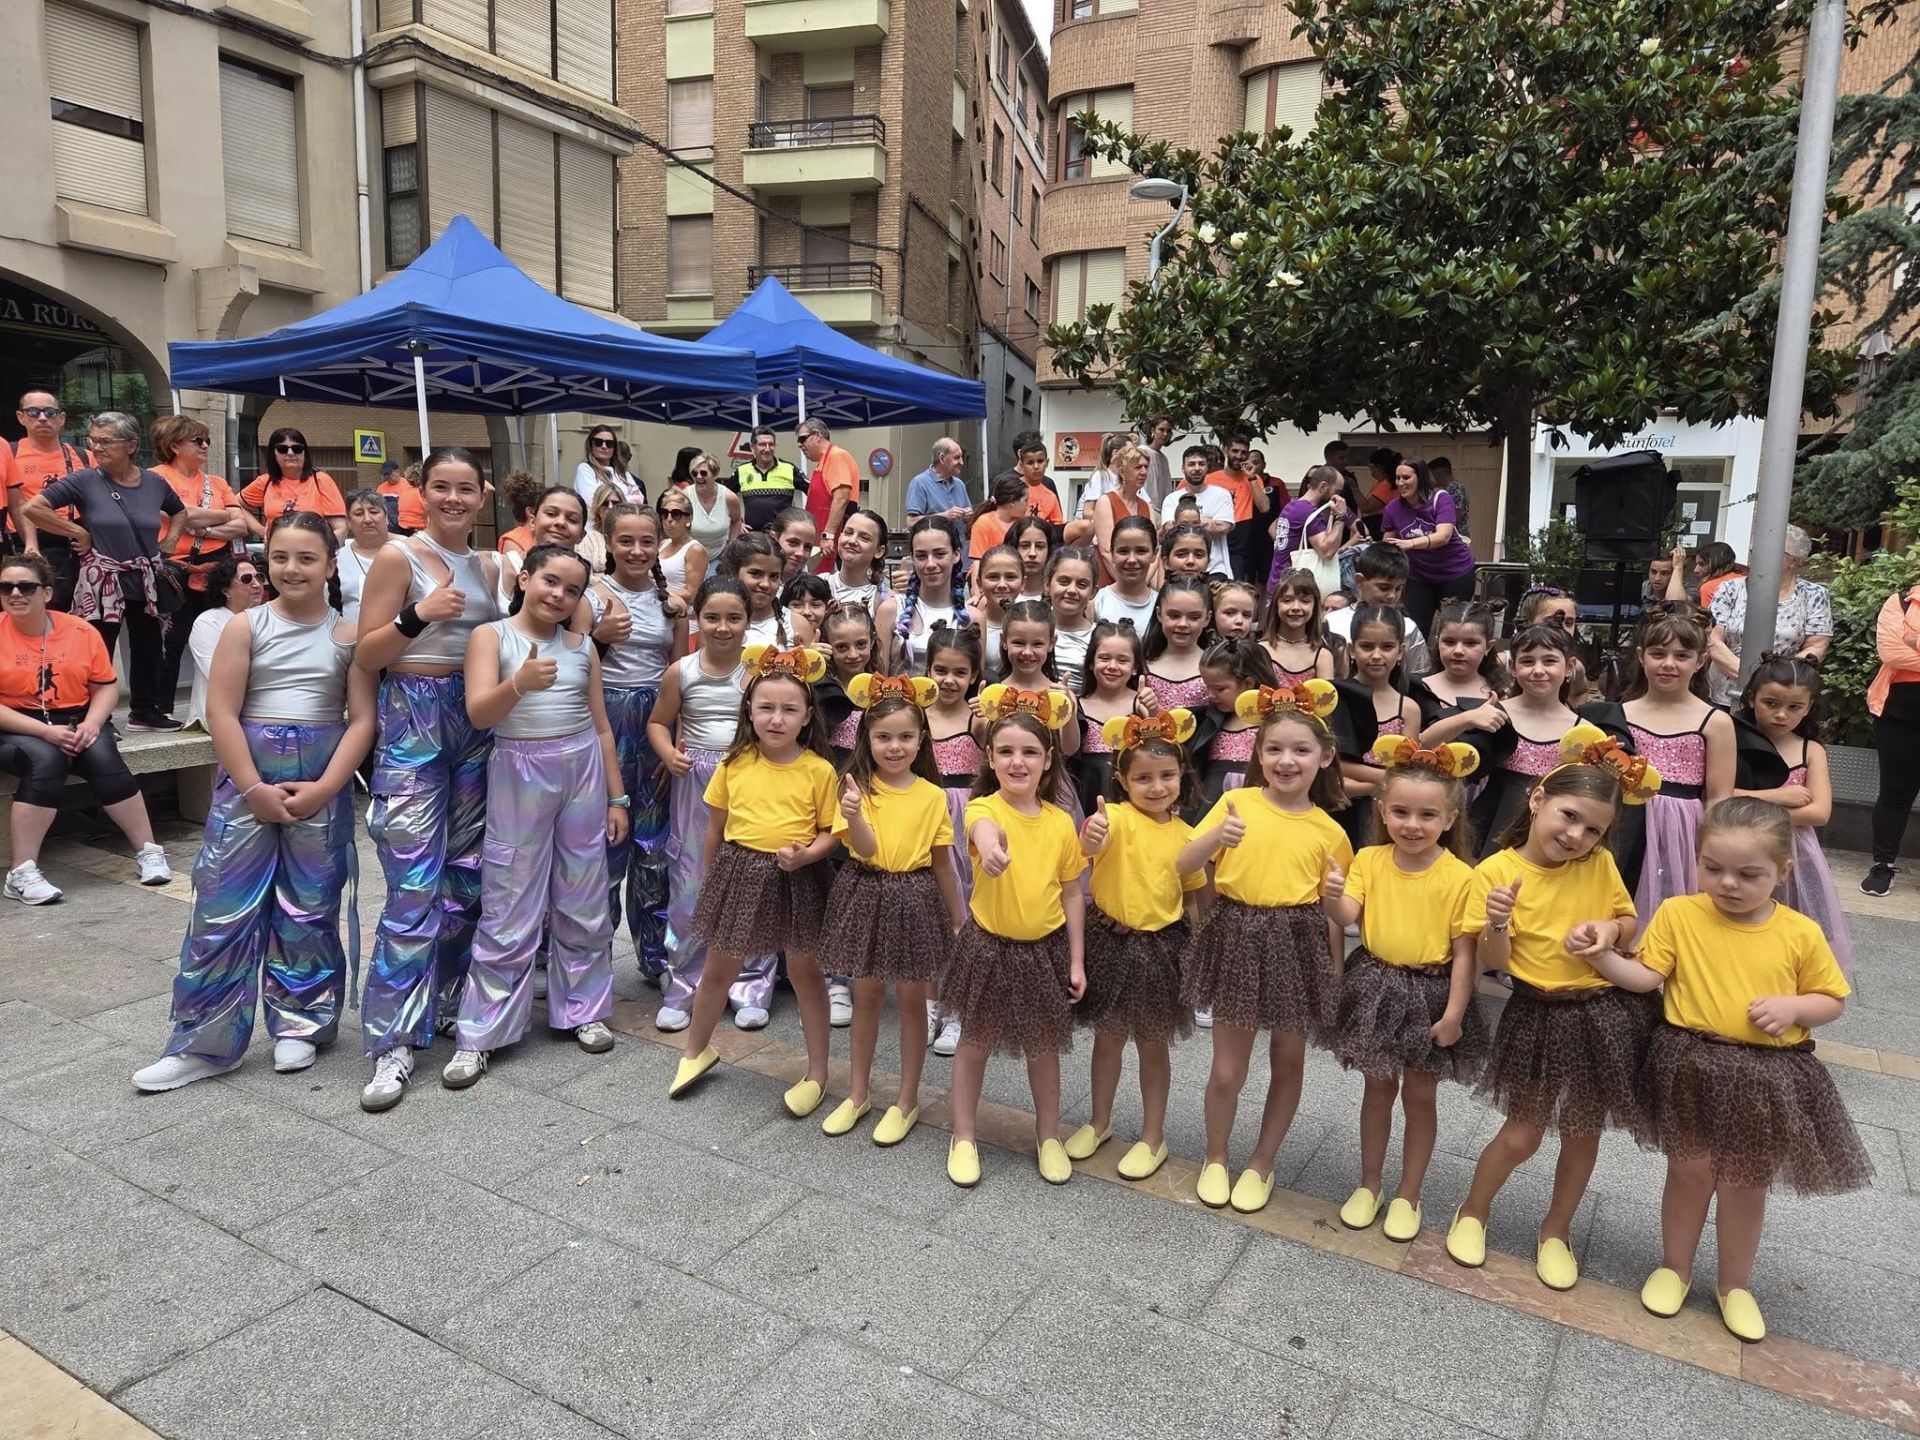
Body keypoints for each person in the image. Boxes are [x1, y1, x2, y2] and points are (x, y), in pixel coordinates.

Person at [1577, 797, 1871, 1342]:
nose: (1728, 883)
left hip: (1767, 1073)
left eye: (1748, 874)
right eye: (1712, 868)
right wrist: (1600, 957)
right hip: (1689, 1060)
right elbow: (1645, 978)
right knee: (1689, 1171)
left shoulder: (1799, 933)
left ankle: (1735, 1285)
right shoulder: (1680, 914)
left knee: (1745, 1184)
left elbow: (1830, 1000)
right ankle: (1674, 1267)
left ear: (1782, 873)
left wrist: (1794, 1008)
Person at [131, 513, 372, 1091]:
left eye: (307, 558)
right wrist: (251, 786)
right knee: (222, 903)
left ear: (330, 566)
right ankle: (203, 1039)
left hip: (321, 771)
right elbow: (221, 712)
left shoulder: (350, 636)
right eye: (281, 558)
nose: (292, 569)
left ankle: (301, 1023)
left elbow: (362, 719)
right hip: (249, 770)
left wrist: (326, 787)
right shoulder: (247, 626)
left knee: (309, 903)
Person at [1448, 729, 1661, 1292]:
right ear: (1538, 797)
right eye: (1569, 817)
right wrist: (1497, 921)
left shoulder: (1598, 864)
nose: (1577, 835)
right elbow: (1498, 963)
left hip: (1605, 1011)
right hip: (1538, 1014)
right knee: (1522, 1134)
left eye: (1594, 829)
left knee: (1582, 1133)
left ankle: (1557, 1231)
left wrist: (1609, 929)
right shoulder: (1492, 874)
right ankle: (1472, 1211)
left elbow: (1629, 920)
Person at [439, 545, 627, 1088]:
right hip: (519, 767)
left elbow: (603, 728)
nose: (559, 596)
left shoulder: (582, 646)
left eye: (572, 590)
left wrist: (617, 798)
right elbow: (479, 713)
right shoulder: (490, 637)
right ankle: (483, 1029)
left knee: (584, 890)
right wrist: (518, 683)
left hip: (582, 769)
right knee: (509, 894)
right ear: (524, 578)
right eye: (550, 581)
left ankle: (584, 1008)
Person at [353, 448, 503, 1113]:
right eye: (440, 486)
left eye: (464, 488)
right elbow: (364, 653)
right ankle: (391, 1038)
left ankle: (447, 1000)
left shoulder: (494, 564)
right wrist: (420, 615)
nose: (452, 498)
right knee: (413, 882)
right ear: (422, 491)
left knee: (467, 875)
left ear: (481, 494)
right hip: (412, 718)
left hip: (474, 724)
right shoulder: (396, 556)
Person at [1178, 681, 1352, 1214]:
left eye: (1301, 750)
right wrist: (1214, 840)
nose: (1286, 760)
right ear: (1257, 752)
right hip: (1236, 933)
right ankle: (1215, 1156)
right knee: (1228, 1067)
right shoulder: (1235, 802)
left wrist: (1337, 970)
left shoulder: (1331, 831)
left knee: (1288, 1059)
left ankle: (1262, 1161)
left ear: (1324, 758)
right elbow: (1183, 865)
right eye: (1274, 748)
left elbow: (1333, 915)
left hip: (1298, 944)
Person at [1327, 738, 1488, 1242]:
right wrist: (1331, 897)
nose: (1411, 825)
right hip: (1374, 982)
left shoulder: (1462, 876)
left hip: (1432, 993)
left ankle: (1409, 1192)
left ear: (1449, 819)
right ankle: (1369, 1183)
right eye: (1400, 812)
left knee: (1420, 1096)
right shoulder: (1369, 860)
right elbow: (1347, 917)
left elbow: (1466, 953)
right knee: (1377, 1090)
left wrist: (1456, 1013)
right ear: (1381, 811)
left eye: (1426, 815)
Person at [667, 645, 840, 1114]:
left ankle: (818, 1071)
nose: (776, 719)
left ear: (807, 717)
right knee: (719, 967)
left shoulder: (820, 771)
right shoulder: (734, 763)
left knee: (805, 973)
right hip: (738, 873)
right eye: (766, 707)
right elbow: (715, 829)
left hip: (798, 878)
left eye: (789, 709)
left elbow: (832, 833)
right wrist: (709, 879)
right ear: (749, 710)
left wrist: (807, 855)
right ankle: (695, 1049)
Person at [942, 686, 1087, 1188]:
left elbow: (1072, 895)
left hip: (1044, 949)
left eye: (1029, 752)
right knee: (975, 1039)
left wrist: (1076, 960)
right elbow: (982, 833)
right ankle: (963, 1134)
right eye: (1006, 751)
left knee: (1043, 1045)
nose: (1017, 762)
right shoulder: (984, 809)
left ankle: (1048, 1135)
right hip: (989, 946)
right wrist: (993, 850)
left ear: (1048, 760)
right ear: (989, 756)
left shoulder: (1062, 824)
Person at [820, 672, 965, 1143]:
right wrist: (854, 814)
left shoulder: (932, 796)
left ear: (922, 739)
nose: (895, 747)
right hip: (865, 893)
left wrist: (959, 918)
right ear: (867, 738)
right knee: (865, 997)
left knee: (911, 1001)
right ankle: (858, 1092)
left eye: (905, 737)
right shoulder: (856, 787)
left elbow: (944, 863)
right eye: (883, 737)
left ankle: (906, 1099)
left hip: (916, 898)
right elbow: (863, 846)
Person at [24, 411, 228, 731]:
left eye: (106, 441)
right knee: (98, 647)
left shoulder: (154, 482)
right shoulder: (85, 480)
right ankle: (96, 717)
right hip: (102, 578)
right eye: (93, 441)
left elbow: (178, 512)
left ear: (131, 445)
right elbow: (32, 508)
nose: (97, 447)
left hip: (145, 575)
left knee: (148, 645)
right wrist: (77, 533)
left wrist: (173, 538)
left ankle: (144, 711)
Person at [1066, 710, 1204, 1181]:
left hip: (1162, 949)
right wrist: (1093, 832)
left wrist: (1199, 951)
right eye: (1143, 777)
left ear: (1181, 778)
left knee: (1152, 1044)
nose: (1157, 786)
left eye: (1167, 776)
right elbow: (1088, 846)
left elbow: (1191, 894)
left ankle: (1152, 1136)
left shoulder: (1188, 836)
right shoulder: (1116, 818)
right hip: (1110, 940)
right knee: (1106, 1039)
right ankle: (1099, 1122)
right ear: (1122, 780)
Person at [0, 553, 173, 904]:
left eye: (25, 586)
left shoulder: (80, 630)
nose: (15, 593)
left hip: (78, 716)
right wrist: (46, 732)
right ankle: (21, 872)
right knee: (44, 759)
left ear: (46, 592)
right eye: (6, 587)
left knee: (102, 755)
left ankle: (148, 851)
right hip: (15, 724)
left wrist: (93, 724)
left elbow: (105, 685)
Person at [646, 578, 774, 1030]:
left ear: (748, 621)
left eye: (734, 618)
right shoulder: (682, 670)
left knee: (753, 878)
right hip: (696, 782)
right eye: (712, 618)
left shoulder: (760, 671)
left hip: (752, 781)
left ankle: (752, 982)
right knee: (691, 878)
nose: (723, 628)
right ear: (698, 618)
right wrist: (668, 752)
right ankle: (685, 981)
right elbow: (659, 722)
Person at [589, 505, 685, 984]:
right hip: (604, 719)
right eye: (626, 541)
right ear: (609, 543)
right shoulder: (591, 596)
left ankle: (656, 955)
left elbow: (681, 673)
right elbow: (569, 659)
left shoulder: (673, 603)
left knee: (654, 847)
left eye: (646, 541)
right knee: (605, 841)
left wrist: (675, 740)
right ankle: (593, 959)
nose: (637, 551)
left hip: (657, 723)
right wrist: (594, 635)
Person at [1731, 654, 1850, 971]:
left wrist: (1751, 807)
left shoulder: (1810, 750)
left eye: (1794, 707)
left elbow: (1819, 812)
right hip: (1735, 847)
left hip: (1793, 852)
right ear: (1752, 697)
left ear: (1809, 708)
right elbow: (1716, 797)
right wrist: (1778, 796)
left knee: (1791, 927)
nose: (1781, 714)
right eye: (1770, 703)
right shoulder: (1731, 738)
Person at [1620, 607, 1735, 915]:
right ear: (1642, 656)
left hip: (1681, 830)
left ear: (1700, 661)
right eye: (1658, 654)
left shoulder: (1716, 722)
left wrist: (1711, 850)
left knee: (1668, 909)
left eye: (1682, 656)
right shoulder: (1620, 714)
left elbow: (1719, 796)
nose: (1668, 664)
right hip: (1622, 823)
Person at [150, 414, 255, 716]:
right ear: (173, 446)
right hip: (174, 566)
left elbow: (239, 524)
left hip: (218, 566)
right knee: (174, 637)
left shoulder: (217, 482)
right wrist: (217, 515)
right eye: (198, 440)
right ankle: (162, 707)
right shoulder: (156, 477)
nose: (206, 445)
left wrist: (198, 525)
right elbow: (175, 513)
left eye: (207, 439)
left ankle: (226, 705)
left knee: (226, 632)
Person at [1707, 525, 1831, 705]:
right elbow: (1712, 638)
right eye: (1756, 549)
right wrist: (1749, 676)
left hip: (1782, 700)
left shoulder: (1814, 595)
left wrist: (1776, 678)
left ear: (1795, 561)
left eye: (1775, 551)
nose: (1761, 555)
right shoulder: (1730, 589)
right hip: (1724, 695)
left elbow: (1817, 646)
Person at [4, 390, 91, 609]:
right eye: (33, 412)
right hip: (23, 545)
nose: (43, 418)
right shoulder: (9, 453)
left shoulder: (84, 456)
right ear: (21, 417)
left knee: (71, 614)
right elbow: (15, 504)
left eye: (50, 412)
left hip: (73, 547)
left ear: (61, 419)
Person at [1863, 580, 1920, 897]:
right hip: (1899, 713)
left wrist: (1915, 640)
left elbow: (1906, 650)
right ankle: (1882, 865)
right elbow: (1891, 651)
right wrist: (1906, 644)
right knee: (1895, 792)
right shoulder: (1901, 601)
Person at [1383, 458, 1476, 636]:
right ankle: (1418, 663)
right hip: (1418, 576)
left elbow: (1443, 536)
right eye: (1397, 478)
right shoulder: (1392, 509)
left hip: (1455, 572)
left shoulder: (1440, 498)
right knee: (1416, 629)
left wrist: (1409, 544)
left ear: (1421, 478)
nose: (1400, 483)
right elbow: (1388, 544)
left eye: (1406, 477)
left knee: (1453, 627)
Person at [183, 554, 266, 729]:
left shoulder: (270, 617)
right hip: (223, 713)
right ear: (226, 590)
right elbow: (218, 676)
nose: (257, 584)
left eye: (259, 577)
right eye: (246, 579)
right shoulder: (208, 622)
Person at [1324, 544, 1430, 677]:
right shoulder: (1332, 622)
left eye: (1398, 589)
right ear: (1360, 581)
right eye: (1384, 588)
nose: (1392, 596)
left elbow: (1417, 676)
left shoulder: (1408, 627)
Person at [241, 428, 347, 539]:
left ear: (304, 452)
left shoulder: (321, 480)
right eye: (282, 449)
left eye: (297, 449)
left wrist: (322, 548)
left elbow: (340, 528)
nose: (290, 453)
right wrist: (261, 531)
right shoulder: (265, 482)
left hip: (311, 552)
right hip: (277, 552)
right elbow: (237, 505)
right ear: (274, 454)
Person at [1268, 466, 1347, 598]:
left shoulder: (1292, 506)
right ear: (1322, 487)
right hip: (1292, 589)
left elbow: (1273, 529)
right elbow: (1327, 551)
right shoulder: (1307, 512)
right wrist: (1341, 517)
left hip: (1278, 580)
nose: (1338, 497)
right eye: (1336, 491)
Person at [1141, 575, 1214, 714]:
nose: (1183, 624)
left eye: (1194, 617)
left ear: (1207, 618)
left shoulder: (1219, 666)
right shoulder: (1142, 666)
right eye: (1174, 616)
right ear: (1159, 614)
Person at [1160, 446, 1234, 577]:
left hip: (1215, 569)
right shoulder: (1171, 499)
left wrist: (1184, 523)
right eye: (1191, 464)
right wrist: (1205, 523)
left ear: (1207, 467)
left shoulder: (1222, 495)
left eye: (1201, 464)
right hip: (1180, 569)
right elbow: (1168, 528)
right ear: (1183, 468)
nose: (1197, 468)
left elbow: (1225, 526)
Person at [1090, 443, 1156, 588]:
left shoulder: (1147, 506)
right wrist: (1126, 585)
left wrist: (1142, 584)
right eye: (1138, 467)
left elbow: (1154, 551)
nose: (1144, 472)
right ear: (1122, 472)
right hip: (1109, 583)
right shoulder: (1106, 502)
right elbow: (1106, 551)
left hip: (1140, 585)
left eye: (1146, 467)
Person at [1207, 434, 1271, 582]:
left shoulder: (1253, 478)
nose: (1239, 456)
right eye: (1235, 451)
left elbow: (1264, 507)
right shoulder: (1210, 479)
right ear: (1226, 451)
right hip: (1214, 536)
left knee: (1234, 588)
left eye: (1243, 452)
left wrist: (1252, 478)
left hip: (1239, 541)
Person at [798, 419, 860, 570]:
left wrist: (829, 536)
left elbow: (842, 497)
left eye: (802, 438)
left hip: (832, 545)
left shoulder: (836, 456)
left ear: (817, 435)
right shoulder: (823, 462)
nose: (799, 445)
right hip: (821, 544)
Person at [1259, 568, 1336, 683]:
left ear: (1315, 608)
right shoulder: (1260, 650)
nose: (1296, 607)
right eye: (1287, 600)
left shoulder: (1323, 656)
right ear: (1276, 605)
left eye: (1305, 601)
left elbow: (1327, 698)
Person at [1044, 547, 1098, 693]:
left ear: (1093, 591)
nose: (1072, 590)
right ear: (1047, 584)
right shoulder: (1028, 626)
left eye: (1082, 584)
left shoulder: (1099, 638)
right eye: (1064, 581)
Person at [1093, 516, 1160, 630]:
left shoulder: (1161, 605)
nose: (1132, 560)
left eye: (1141, 551)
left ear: (1154, 554)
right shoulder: (1097, 603)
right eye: (1123, 551)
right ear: (1112, 554)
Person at [337, 490, 392, 625]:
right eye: (359, 513)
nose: (367, 519)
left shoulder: (409, 552)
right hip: (351, 641)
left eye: (374, 512)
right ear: (348, 522)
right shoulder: (336, 560)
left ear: (386, 518)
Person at [731, 426, 800, 530]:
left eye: (771, 444)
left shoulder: (789, 468)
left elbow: (813, 491)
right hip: (753, 537)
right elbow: (722, 496)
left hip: (783, 537)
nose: (767, 449)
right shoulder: (742, 471)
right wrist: (737, 522)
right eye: (762, 444)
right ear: (752, 447)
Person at [683, 451, 743, 558]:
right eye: (694, 473)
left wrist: (730, 547)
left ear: (715, 475)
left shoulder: (729, 498)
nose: (699, 477)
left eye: (704, 473)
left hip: (719, 554)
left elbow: (736, 522)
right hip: (690, 555)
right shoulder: (685, 496)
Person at [655, 488, 708, 606]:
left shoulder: (694, 550)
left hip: (682, 613)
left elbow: (692, 595)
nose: (669, 519)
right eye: (665, 513)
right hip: (656, 608)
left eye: (676, 514)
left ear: (688, 519)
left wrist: (654, 593)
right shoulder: (663, 544)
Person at [573, 425, 643, 511]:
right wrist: (627, 499)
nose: (604, 446)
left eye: (609, 443)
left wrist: (611, 500)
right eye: (598, 442)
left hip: (623, 523)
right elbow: (593, 502)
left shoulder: (621, 472)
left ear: (614, 448)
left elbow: (640, 499)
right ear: (591, 445)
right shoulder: (585, 469)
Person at [904, 437, 971, 526]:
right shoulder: (919, 483)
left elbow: (970, 521)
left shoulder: (960, 484)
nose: (961, 462)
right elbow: (911, 522)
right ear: (942, 458)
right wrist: (943, 516)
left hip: (961, 540)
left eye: (961, 457)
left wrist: (969, 516)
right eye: (957, 458)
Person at [377, 457, 428, 533]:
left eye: (388, 474)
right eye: (384, 474)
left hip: (409, 528)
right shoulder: (380, 488)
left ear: (397, 472)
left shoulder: (408, 484)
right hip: (390, 527)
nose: (386, 477)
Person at [1140, 416, 1175, 509]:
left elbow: (1167, 489)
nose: (1165, 434)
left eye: (1168, 431)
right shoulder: (1141, 452)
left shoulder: (1163, 459)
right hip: (1143, 508)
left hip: (1160, 511)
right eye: (1161, 429)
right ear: (1152, 430)